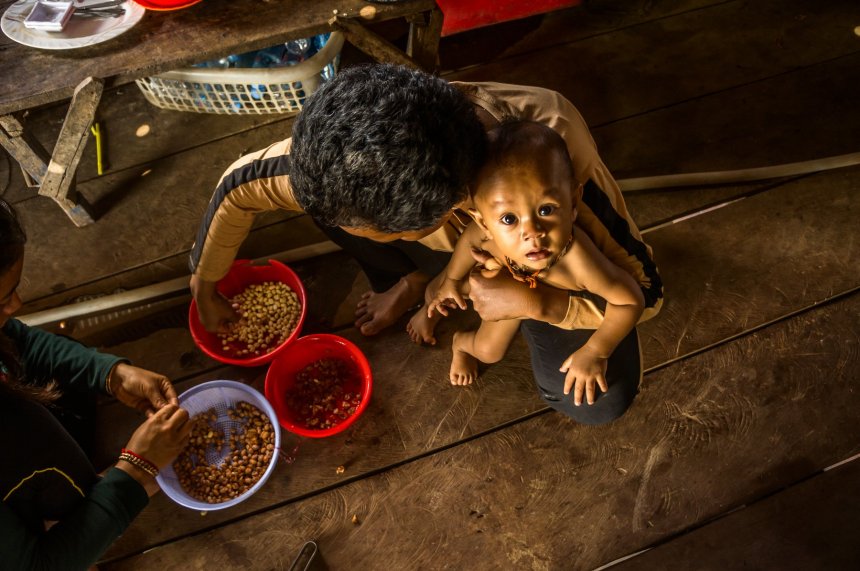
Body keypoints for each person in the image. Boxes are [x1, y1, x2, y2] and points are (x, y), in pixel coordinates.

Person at [189, 64, 662, 423]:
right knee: (334, 209)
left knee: (597, 402)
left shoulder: (551, 161)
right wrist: (205, 287)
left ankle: (426, 275)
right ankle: (409, 279)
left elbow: (647, 294)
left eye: (388, 236)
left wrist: (543, 304)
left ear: (459, 207)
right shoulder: (335, 157)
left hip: (548, 276)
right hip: (469, 256)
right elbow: (236, 188)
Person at [0, 200, 192, 570]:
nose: (18, 303)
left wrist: (109, 373)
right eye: (5, 297)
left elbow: (19, 343)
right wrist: (134, 471)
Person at [425, 120, 645, 409]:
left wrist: (595, 351)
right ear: (484, 221)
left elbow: (631, 302)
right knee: (488, 351)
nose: (532, 233)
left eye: (546, 209)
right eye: (509, 219)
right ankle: (461, 343)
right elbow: (470, 241)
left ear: (573, 200)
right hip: (502, 290)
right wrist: (452, 280)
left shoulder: (578, 260)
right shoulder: (485, 233)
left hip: (542, 300)